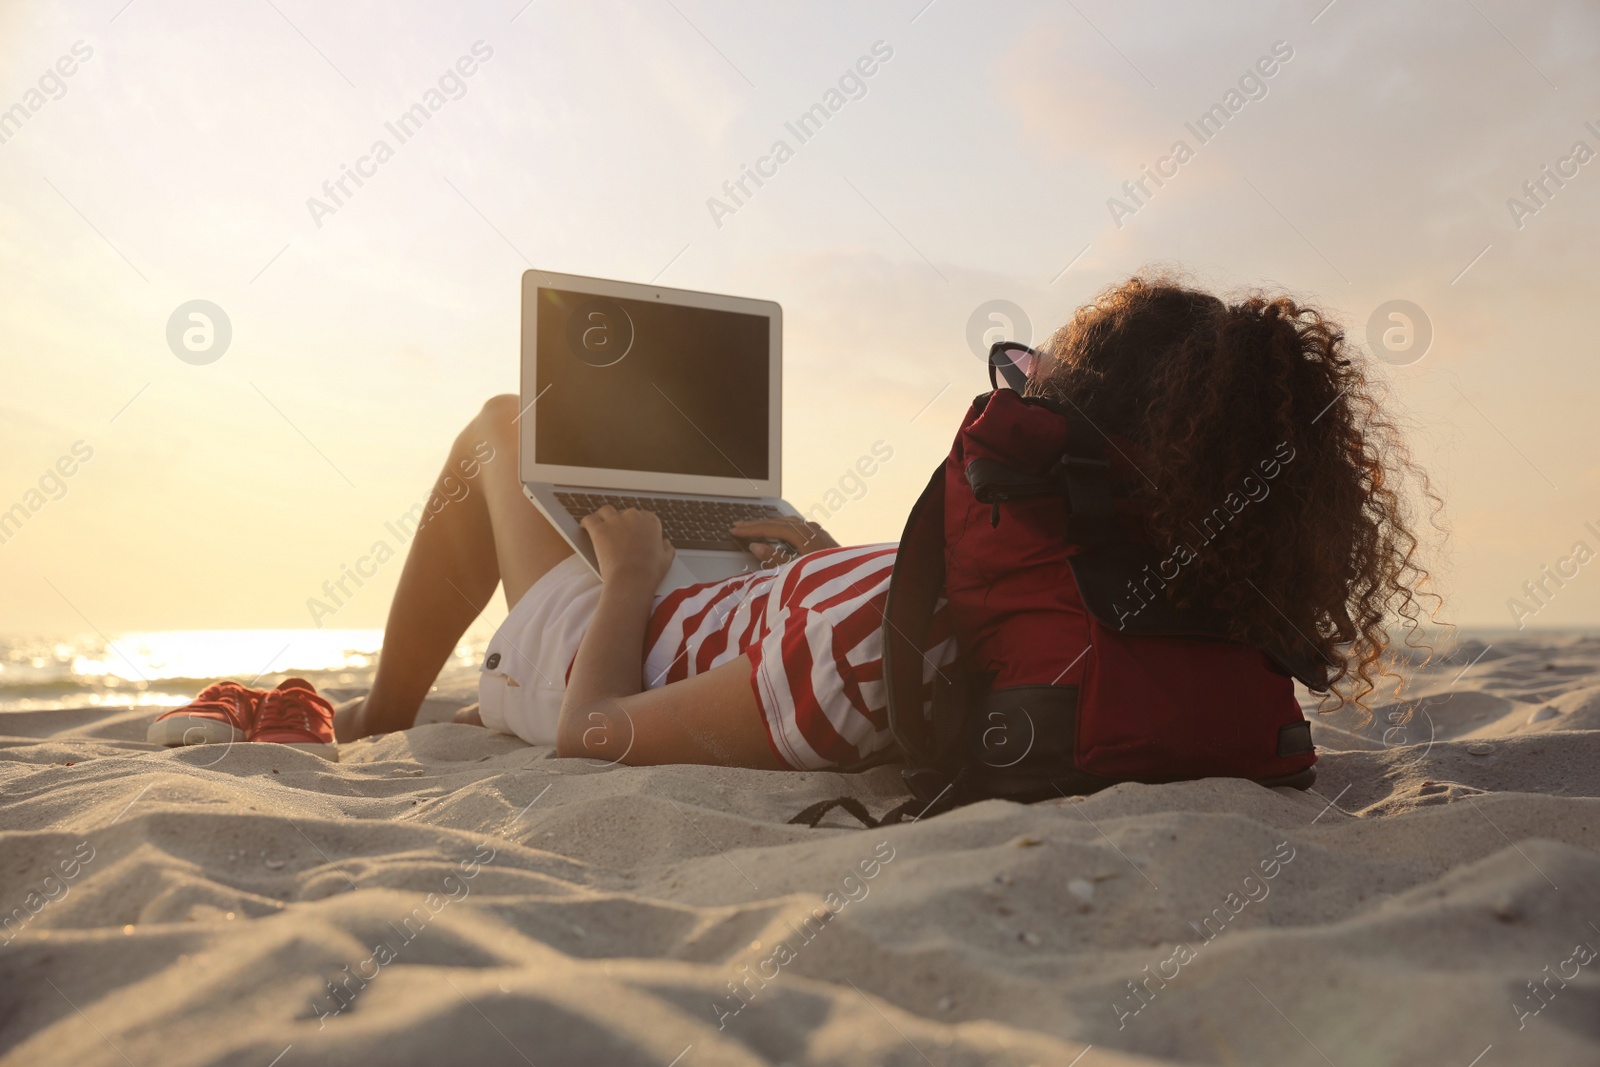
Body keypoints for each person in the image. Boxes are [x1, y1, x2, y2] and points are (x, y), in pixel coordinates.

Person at [150, 274, 1438, 768]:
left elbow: (593, 730)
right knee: (746, 497)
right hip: (771, 597)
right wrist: (806, 564)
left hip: (624, 632)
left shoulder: (865, 663)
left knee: (499, 422)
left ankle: (384, 708)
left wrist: (633, 575)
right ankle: (741, 533)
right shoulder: (1186, 631)